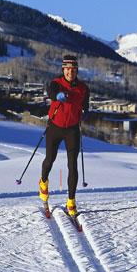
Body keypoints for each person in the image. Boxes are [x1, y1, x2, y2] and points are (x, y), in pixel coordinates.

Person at [38, 55, 90, 216]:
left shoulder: (83, 88)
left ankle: (71, 201)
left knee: (72, 166)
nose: (70, 72)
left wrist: (85, 112)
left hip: (72, 130)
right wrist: (58, 96)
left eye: (73, 69)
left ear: (76, 71)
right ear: (63, 70)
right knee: (49, 160)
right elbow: (52, 92)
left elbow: (85, 105)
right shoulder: (56, 83)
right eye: (67, 69)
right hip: (55, 127)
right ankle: (43, 182)